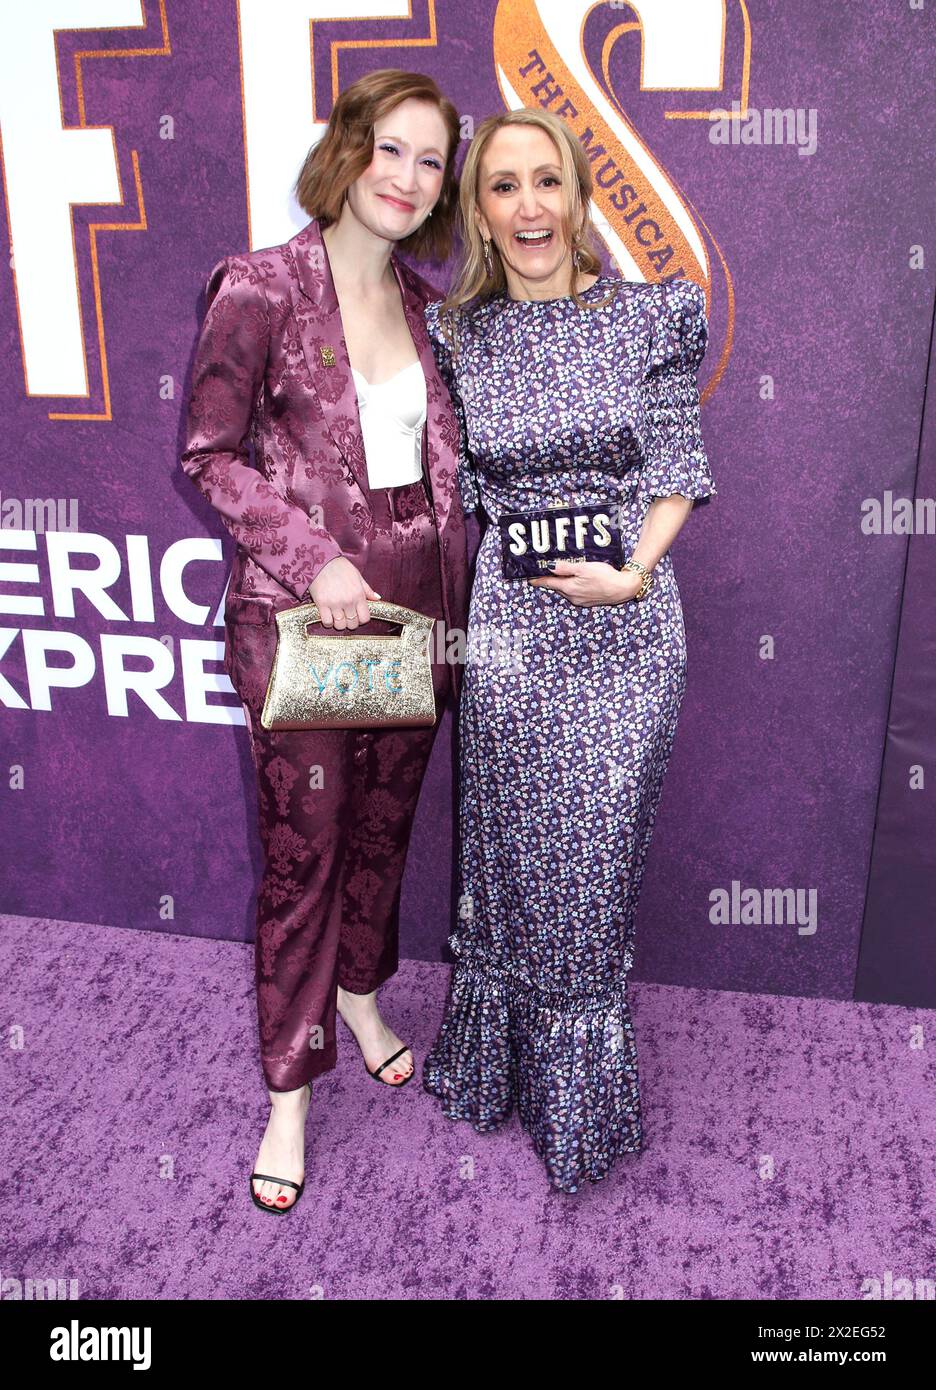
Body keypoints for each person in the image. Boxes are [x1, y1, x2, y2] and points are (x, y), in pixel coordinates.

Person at [180, 69, 469, 1213]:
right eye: (390, 149)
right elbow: (210, 454)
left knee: (386, 827)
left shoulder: (430, 307)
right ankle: (291, 1094)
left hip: (419, 619)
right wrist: (317, 557)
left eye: (430, 161)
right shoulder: (259, 286)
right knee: (305, 856)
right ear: (348, 151)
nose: (407, 177)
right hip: (308, 620)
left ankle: (360, 992)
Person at [421, 108, 718, 1194]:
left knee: (590, 866)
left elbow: (680, 465)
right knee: (504, 859)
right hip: (511, 630)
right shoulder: (460, 336)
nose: (531, 206)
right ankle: (496, 1068)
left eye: (549, 181)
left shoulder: (649, 318)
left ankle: (579, 1103)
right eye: (504, 187)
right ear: (481, 213)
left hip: (626, 624)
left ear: (582, 195)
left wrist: (632, 572)